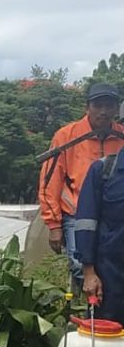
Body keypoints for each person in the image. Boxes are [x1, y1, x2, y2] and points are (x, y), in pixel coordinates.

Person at [38, 83, 124, 291]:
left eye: (109, 105)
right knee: (80, 264)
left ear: (116, 109)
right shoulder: (67, 136)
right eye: (98, 105)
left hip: (113, 216)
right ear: (88, 107)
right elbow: (50, 180)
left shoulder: (121, 136)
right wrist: (54, 225)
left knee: (111, 265)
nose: (103, 111)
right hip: (76, 213)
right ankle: (87, 311)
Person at [75, 88, 124, 324]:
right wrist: (89, 273)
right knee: (106, 346)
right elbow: (86, 223)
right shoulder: (104, 170)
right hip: (111, 278)